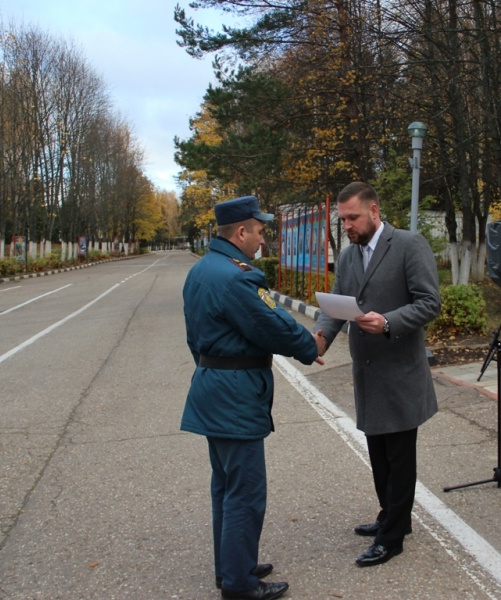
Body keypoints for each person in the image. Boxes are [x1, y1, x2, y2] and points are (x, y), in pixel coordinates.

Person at [181, 195, 326, 600]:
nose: (263, 239)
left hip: (211, 385)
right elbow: (274, 325)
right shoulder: (237, 276)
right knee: (245, 491)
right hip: (235, 395)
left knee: (225, 486)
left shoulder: (201, 270)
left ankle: (230, 568)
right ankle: (240, 585)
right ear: (241, 232)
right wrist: (309, 346)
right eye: (260, 231)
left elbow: (195, 338)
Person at [314, 182, 440, 567]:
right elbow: (336, 303)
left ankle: (393, 537)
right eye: (342, 220)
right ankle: (391, 516)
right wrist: (319, 339)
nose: (347, 226)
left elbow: (429, 302)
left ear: (373, 211)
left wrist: (388, 322)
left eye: (352, 217)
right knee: (380, 455)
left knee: (400, 457)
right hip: (368, 373)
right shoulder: (350, 256)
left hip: (400, 371)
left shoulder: (408, 245)